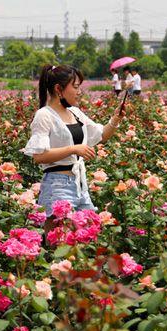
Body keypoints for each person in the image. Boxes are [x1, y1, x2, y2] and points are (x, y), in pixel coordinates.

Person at [24, 64, 125, 235]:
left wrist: (116, 118)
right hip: (57, 186)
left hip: (79, 185)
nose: (79, 92)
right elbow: (39, 156)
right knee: (61, 243)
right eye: (76, 87)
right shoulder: (44, 115)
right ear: (58, 89)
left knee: (89, 235)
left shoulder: (75, 113)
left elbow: (100, 135)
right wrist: (73, 149)